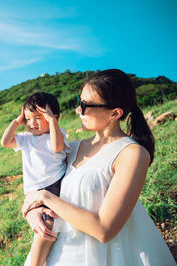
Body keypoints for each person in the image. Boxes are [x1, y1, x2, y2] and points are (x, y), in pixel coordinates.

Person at [22, 69, 176, 265]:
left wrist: (44, 197)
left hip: (103, 257)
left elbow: (105, 230)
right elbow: (38, 182)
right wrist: (33, 211)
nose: (78, 110)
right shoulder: (72, 148)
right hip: (56, 253)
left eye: (85, 105)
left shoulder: (132, 154)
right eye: (80, 102)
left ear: (115, 113)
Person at [1, 92, 70, 266]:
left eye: (39, 118)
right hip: (33, 192)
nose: (32, 123)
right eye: (28, 119)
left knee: (46, 226)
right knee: (40, 227)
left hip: (52, 186)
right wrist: (17, 121)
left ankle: (37, 263)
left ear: (54, 117)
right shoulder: (26, 139)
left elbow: (56, 147)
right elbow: (5, 142)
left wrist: (52, 122)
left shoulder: (57, 135)